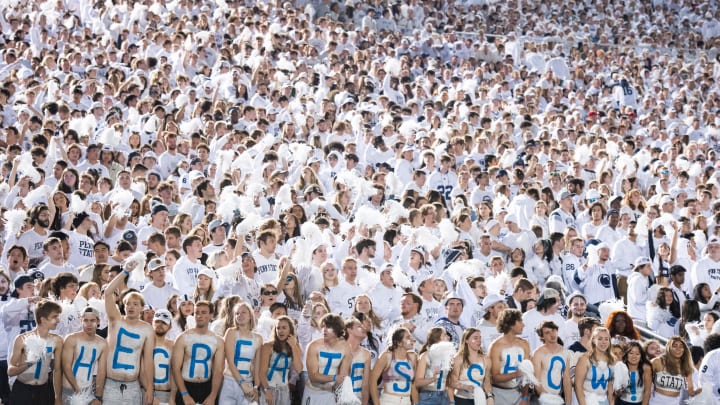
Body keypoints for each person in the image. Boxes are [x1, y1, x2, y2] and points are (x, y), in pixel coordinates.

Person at [104, 267, 155, 405]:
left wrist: (150, 387)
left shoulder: (147, 329)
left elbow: (148, 361)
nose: (131, 307)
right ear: (123, 306)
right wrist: (125, 271)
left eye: (135, 304)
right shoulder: (116, 320)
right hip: (111, 385)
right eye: (127, 304)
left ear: (142, 307)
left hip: (133, 386)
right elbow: (108, 293)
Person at [8, 299, 64, 404]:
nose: (58, 320)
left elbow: (57, 371)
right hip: (22, 390)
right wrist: (30, 363)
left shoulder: (57, 340)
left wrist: (58, 397)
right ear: (42, 319)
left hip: (43, 391)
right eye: (54, 317)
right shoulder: (22, 339)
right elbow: (10, 371)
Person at [171, 300, 225, 405]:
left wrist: (212, 396)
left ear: (211, 315)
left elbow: (218, 371)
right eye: (197, 312)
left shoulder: (218, 341)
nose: (199, 316)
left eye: (204, 312)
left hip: (206, 387)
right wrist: (185, 394)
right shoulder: (182, 337)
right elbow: (175, 368)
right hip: (186, 385)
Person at [61, 307, 107, 404]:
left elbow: (101, 372)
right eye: (85, 320)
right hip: (69, 391)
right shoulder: (71, 339)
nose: (89, 324)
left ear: (98, 321)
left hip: (88, 391)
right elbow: (66, 367)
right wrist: (77, 390)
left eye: (92, 320)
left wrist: (98, 396)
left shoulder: (102, 343)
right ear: (81, 321)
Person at [220, 301, 263, 405]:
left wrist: (256, 387)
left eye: (243, 312)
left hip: (248, 384)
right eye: (237, 313)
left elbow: (256, 368)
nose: (240, 315)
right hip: (229, 382)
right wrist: (242, 383)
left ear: (250, 316)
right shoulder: (231, 332)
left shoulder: (258, 338)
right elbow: (230, 362)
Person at [302, 313, 351, 404]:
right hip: (313, 393)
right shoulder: (314, 346)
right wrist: (335, 377)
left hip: (330, 394)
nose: (324, 330)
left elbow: (343, 377)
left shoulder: (346, 348)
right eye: (323, 326)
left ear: (337, 329)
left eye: (328, 327)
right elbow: (313, 376)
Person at [488, 308, 531, 405]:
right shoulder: (495, 347)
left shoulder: (524, 344)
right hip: (499, 394)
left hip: (519, 393)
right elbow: (494, 377)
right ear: (511, 324)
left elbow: (526, 375)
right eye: (520, 321)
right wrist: (515, 374)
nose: (523, 325)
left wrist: (524, 397)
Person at [258, 315, 303, 405]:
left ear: (290, 329)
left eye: (284, 328)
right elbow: (262, 373)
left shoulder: (295, 346)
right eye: (278, 328)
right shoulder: (268, 346)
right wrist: (267, 390)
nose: (280, 331)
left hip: (284, 390)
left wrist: (293, 346)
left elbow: (299, 369)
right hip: (268, 388)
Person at [370, 327, 418, 405]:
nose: (413, 340)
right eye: (408, 337)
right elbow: (372, 380)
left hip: (406, 401)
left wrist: (416, 403)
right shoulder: (386, 356)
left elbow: (413, 384)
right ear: (398, 342)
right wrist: (376, 403)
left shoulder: (413, 357)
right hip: (388, 401)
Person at [447, 327, 494, 405]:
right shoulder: (458, 359)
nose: (479, 341)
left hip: (479, 399)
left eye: (480, 338)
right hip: (461, 399)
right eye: (475, 338)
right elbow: (452, 382)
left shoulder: (486, 359)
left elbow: (487, 383)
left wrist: (489, 396)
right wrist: (466, 387)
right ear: (466, 340)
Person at [648, 336, 699, 405]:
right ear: (669, 348)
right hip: (655, 402)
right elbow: (644, 385)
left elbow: (691, 392)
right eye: (675, 346)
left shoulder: (686, 367)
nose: (678, 349)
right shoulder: (657, 362)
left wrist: (701, 390)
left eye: (681, 346)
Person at [531, 320, 572, 405]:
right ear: (542, 337)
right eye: (547, 332)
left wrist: (568, 402)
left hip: (557, 398)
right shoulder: (538, 353)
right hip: (540, 399)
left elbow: (567, 379)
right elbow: (536, 381)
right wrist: (549, 400)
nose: (552, 334)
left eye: (553, 330)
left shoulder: (565, 352)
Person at [574, 327, 614, 405]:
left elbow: (610, 384)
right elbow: (578, 386)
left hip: (604, 400)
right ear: (593, 340)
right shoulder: (585, 359)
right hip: (587, 399)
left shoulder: (611, 360)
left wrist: (611, 402)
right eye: (600, 339)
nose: (603, 342)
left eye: (606, 339)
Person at [415, 327, 451, 405]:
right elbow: (417, 382)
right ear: (437, 338)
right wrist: (432, 379)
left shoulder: (448, 356)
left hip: (444, 396)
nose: (448, 337)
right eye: (445, 335)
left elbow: (448, 381)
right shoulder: (425, 356)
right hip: (428, 396)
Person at [345, 317, 371, 404]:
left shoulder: (366, 354)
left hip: (357, 401)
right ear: (349, 330)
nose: (364, 328)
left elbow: (365, 385)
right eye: (359, 326)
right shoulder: (339, 350)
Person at [151, 309, 175, 405]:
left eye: (164, 323)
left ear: (170, 326)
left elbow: (175, 372)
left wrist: (172, 396)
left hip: (167, 393)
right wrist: (151, 394)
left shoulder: (173, 346)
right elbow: (142, 372)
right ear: (152, 323)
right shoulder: (145, 343)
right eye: (157, 321)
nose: (160, 325)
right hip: (147, 392)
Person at [616, 341, 651, 405]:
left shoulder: (646, 367)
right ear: (626, 354)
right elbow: (616, 390)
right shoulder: (621, 366)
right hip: (621, 402)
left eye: (637, 354)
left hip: (639, 402)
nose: (634, 356)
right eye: (631, 353)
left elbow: (647, 391)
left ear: (641, 356)